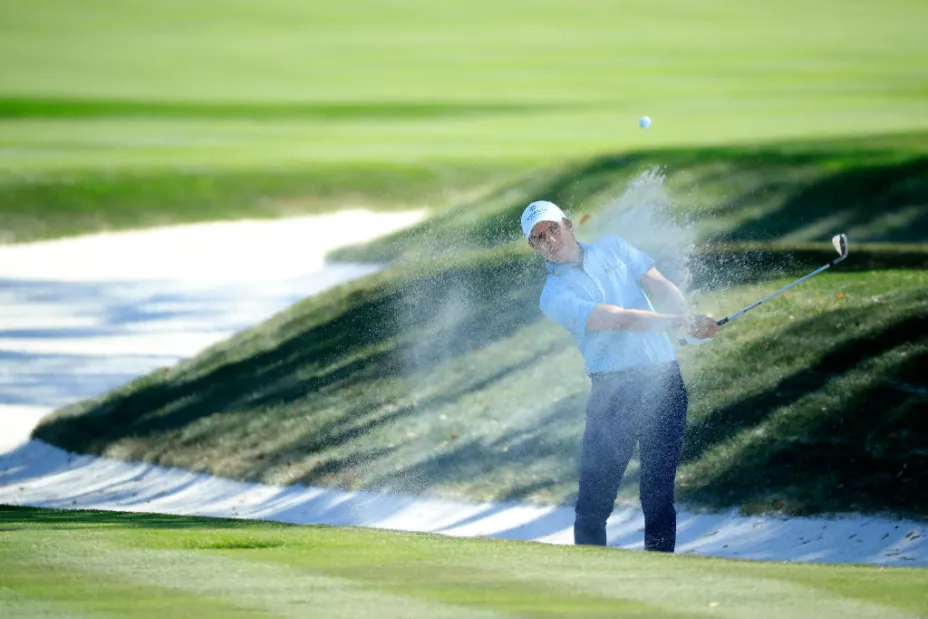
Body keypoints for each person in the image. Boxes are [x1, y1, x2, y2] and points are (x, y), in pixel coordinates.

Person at [520, 200, 718, 552]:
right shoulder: (553, 295)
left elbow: (660, 285)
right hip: (614, 394)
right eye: (539, 237)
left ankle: (658, 582)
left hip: (664, 383)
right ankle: (591, 586)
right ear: (533, 247)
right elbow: (619, 318)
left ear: (568, 225)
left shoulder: (614, 247)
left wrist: (687, 319)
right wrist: (681, 324)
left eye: (552, 228)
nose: (549, 239)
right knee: (594, 504)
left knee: (658, 496)